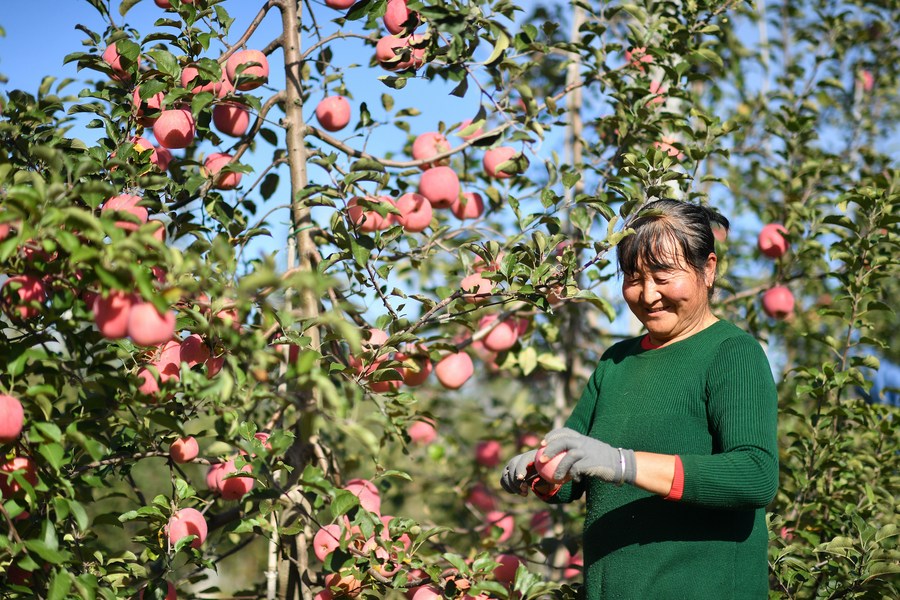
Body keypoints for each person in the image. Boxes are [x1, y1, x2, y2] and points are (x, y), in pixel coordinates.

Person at [500, 199, 779, 599]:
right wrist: (538, 467)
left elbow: (755, 475)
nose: (647, 295)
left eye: (664, 275)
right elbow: (569, 480)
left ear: (708, 269)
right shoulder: (616, 362)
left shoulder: (731, 353)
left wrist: (622, 464)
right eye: (633, 276)